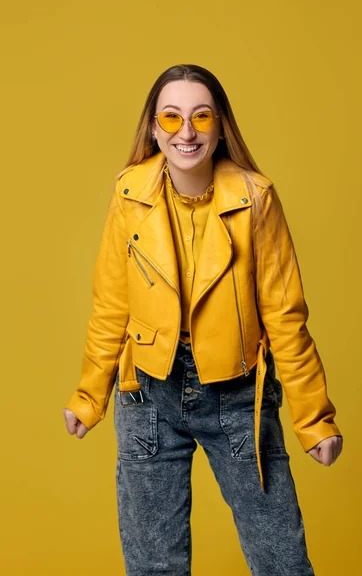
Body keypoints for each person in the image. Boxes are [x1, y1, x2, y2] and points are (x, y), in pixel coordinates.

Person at [63, 64, 343, 576]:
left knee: (282, 561)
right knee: (153, 567)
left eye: (200, 116)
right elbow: (111, 304)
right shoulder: (129, 193)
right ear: (153, 127)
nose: (185, 132)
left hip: (236, 395)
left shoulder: (255, 198)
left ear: (219, 126)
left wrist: (314, 419)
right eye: (171, 118)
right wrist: (89, 396)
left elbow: (284, 315)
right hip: (147, 393)